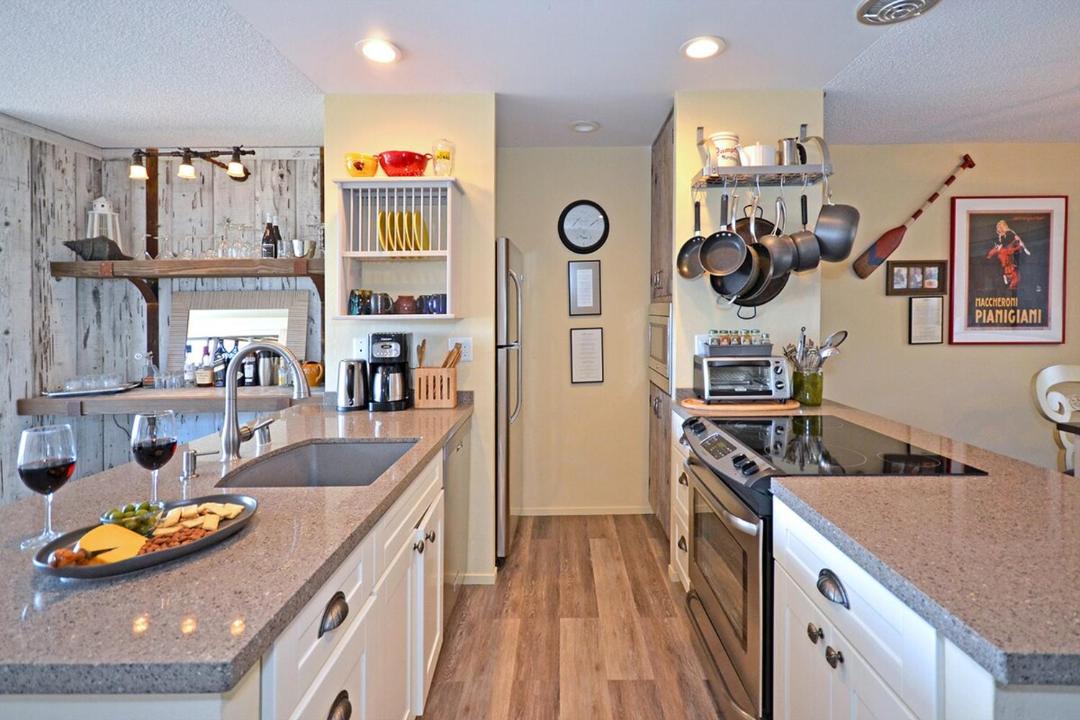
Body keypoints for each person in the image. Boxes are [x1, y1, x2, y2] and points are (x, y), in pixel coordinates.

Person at [986, 220, 1027, 290]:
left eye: (1000, 228)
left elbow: (1017, 243)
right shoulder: (1001, 237)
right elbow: (999, 246)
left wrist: (1022, 248)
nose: (999, 230)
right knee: (1004, 257)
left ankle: (1009, 278)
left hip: (1009, 251)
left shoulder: (1010, 233)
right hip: (1005, 252)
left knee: (1006, 258)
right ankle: (1007, 276)